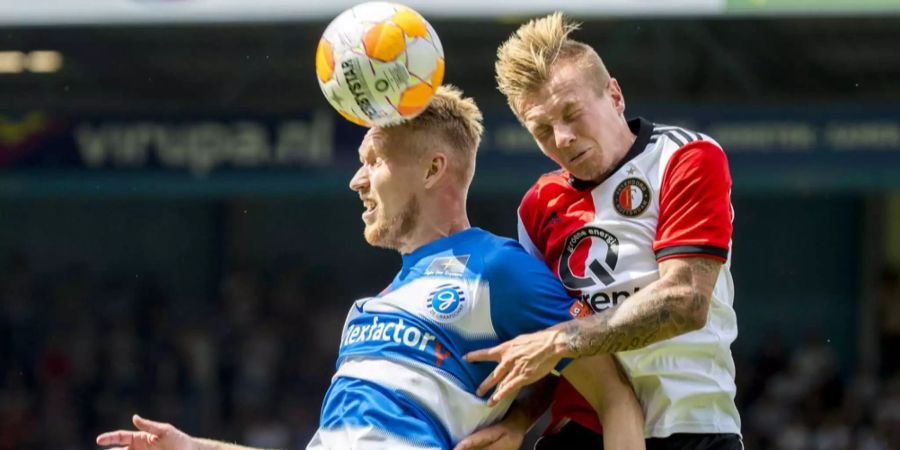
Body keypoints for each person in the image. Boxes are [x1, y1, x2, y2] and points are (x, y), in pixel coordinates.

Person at [95, 86, 645, 450]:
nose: (357, 181)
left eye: (373, 161)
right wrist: (193, 447)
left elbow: (614, 395)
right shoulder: (369, 310)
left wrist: (523, 417)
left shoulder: (497, 269)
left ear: (434, 169)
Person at [458, 13, 742, 450]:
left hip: (690, 428)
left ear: (614, 95)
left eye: (571, 113)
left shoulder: (686, 157)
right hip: (578, 433)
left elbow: (686, 300)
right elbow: (546, 343)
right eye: (542, 130)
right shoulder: (538, 205)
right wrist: (518, 422)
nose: (563, 138)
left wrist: (558, 340)